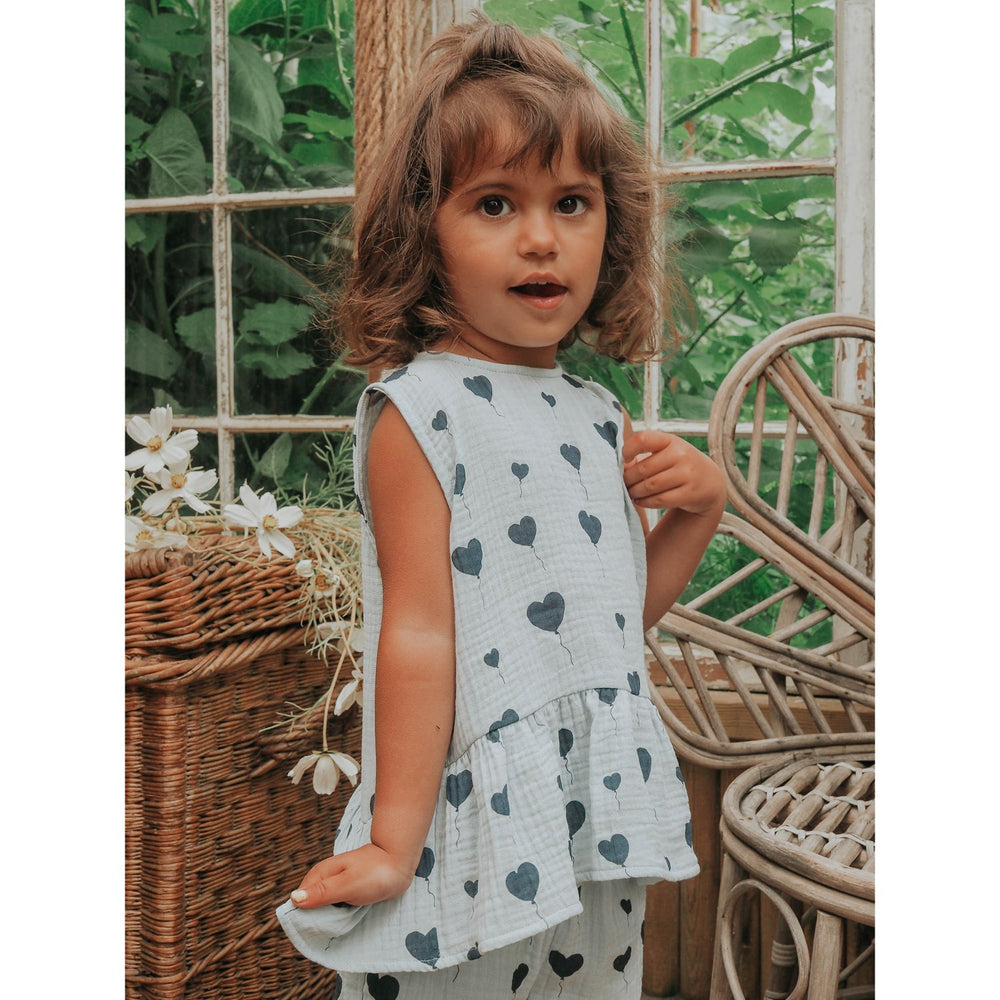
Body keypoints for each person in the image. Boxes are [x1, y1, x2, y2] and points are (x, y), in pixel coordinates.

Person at [277, 15, 726, 999]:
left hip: (584, 811)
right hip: (468, 813)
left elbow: (604, 624)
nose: (540, 238)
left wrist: (698, 513)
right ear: (424, 231)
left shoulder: (596, 414)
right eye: (493, 203)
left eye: (572, 202)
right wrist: (394, 839)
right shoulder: (421, 411)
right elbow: (420, 633)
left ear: (611, 226)